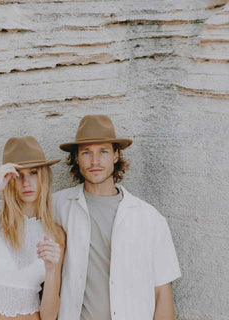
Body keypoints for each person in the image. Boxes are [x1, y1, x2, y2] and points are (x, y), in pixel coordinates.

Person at [53, 114, 181, 320]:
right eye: (86, 152)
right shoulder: (56, 206)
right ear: (77, 158)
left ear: (115, 155)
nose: (95, 161)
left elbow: (162, 292)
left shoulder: (149, 218)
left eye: (103, 151)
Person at [0, 136, 66, 320]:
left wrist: (51, 271)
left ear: (44, 176)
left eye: (34, 172)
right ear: (8, 179)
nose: (26, 182)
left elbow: (49, 316)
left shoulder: (55, 234)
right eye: (18, 175)